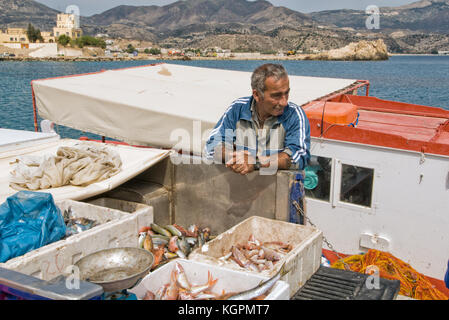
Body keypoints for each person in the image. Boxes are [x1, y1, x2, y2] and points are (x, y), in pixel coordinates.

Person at [204, 63, 311, 175]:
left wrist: (255, 162)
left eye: (287, 93)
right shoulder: (237, 109)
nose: (284, 102)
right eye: (276, 96)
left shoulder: (294, 115)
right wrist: (235, 157)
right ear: (257, 95)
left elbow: (300, 156)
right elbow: (212, 147)